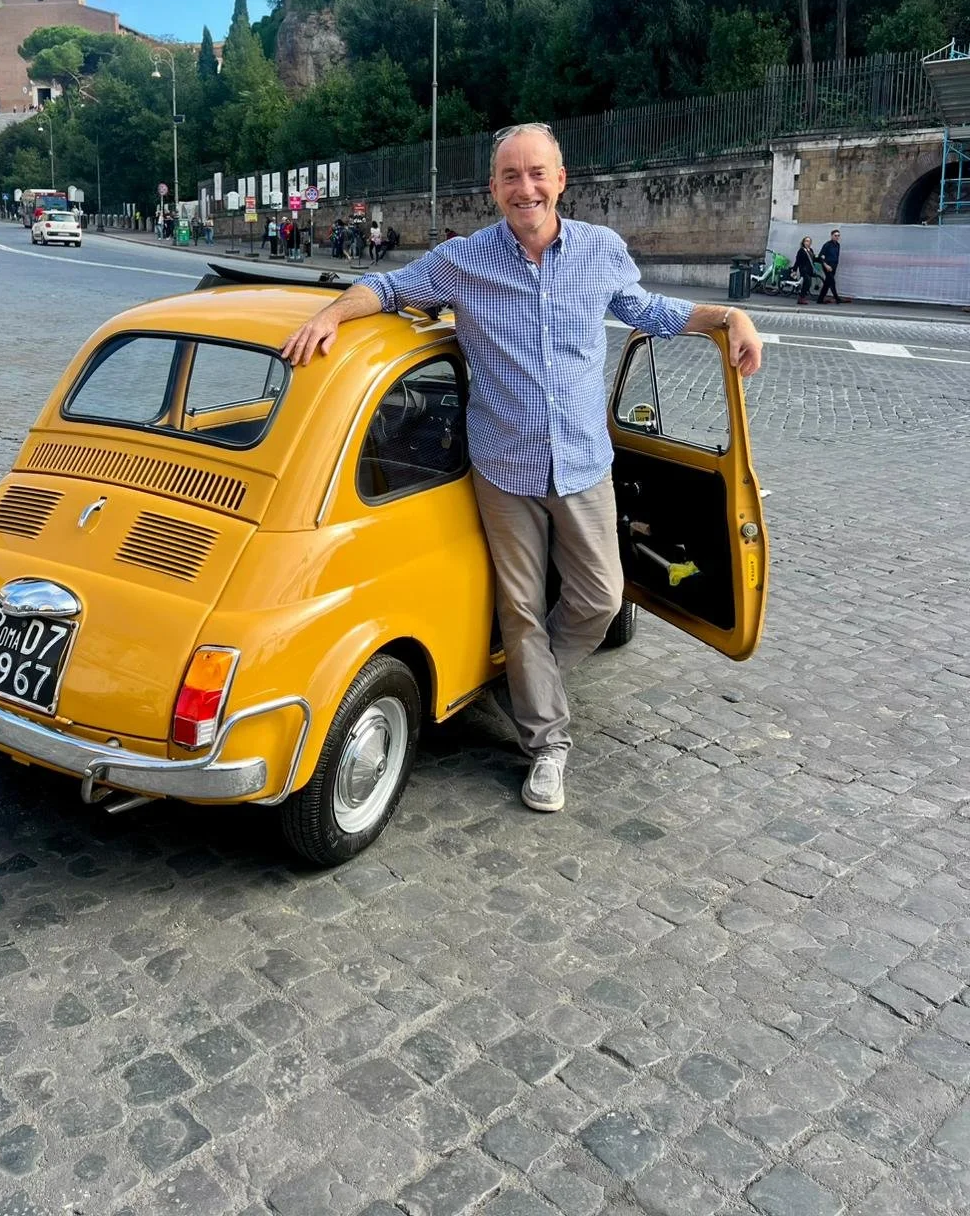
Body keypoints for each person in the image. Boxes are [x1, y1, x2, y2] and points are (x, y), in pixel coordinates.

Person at [283, 123, 762, 816]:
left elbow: (650, 311)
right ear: (494, 189)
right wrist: (333, 313)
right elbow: (387, 288)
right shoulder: (463, 261)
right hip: (503, 471)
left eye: (536, 173)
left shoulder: (600, 252)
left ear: (561, 180)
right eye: (511, 176)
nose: (525, 187)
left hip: (583, 464)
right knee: (520, 610)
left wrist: (728, 317)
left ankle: (522, 687)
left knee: (599, 598)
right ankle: (547, 743)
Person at [817, 228, 842, 304]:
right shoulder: (827, 245)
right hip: (827, 266)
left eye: (838, 235)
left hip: (834, 266)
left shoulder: (837, 245)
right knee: (832, 282)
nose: (837, 237)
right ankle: (837, 298)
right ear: (831, 236)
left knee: (827, 283)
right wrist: (826, 265)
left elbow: (836, 256)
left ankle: (820, 299)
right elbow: (821, 256)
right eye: (835, 235)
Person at [794, 236, 815, 305]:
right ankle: (801, 298)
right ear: (803, 242)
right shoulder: (801, 250)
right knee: (807, 282)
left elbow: (813, 259)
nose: (807, 242)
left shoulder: (811, 250)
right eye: (806, 241)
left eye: (809, 241)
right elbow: (797, 260)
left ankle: (802, 297)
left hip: (809, 269)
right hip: (803, 269)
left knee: (808, 284)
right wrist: (794, 269)